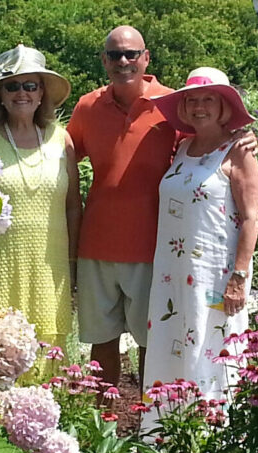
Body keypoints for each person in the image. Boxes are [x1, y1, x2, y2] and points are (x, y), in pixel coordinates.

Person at [67, 26, 176, 391]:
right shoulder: (88, 107)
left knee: (152, 343)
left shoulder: (173, 106)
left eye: (131, 54)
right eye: (115, 55)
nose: (124, 62)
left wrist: (242, 139)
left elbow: (207, 148)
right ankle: (103, 428)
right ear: (104, 60)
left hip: (153, 247)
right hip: (96, 245)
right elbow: (59, 157)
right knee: (102, 343)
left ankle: (150, 426)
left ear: (146, 58)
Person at [143, 67, 258, 403]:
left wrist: (239, 277)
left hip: (217, 276)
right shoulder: (183, 149)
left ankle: (213, 435)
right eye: (192, 99)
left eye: (209, 99)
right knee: (172, 343)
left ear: (224, 106)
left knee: (212, 348)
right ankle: (167, 432)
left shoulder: (238, 151)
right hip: (174, 276)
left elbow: (251, 218)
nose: (200, 106)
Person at [0, 45, 82, 351]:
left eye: (30, 86)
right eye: (12, 86)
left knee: (46, 352)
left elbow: (72, 208)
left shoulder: (61, 138)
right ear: (0, 94)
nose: (21, 93)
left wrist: (74, 264)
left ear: (42, 94)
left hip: (49, 267)